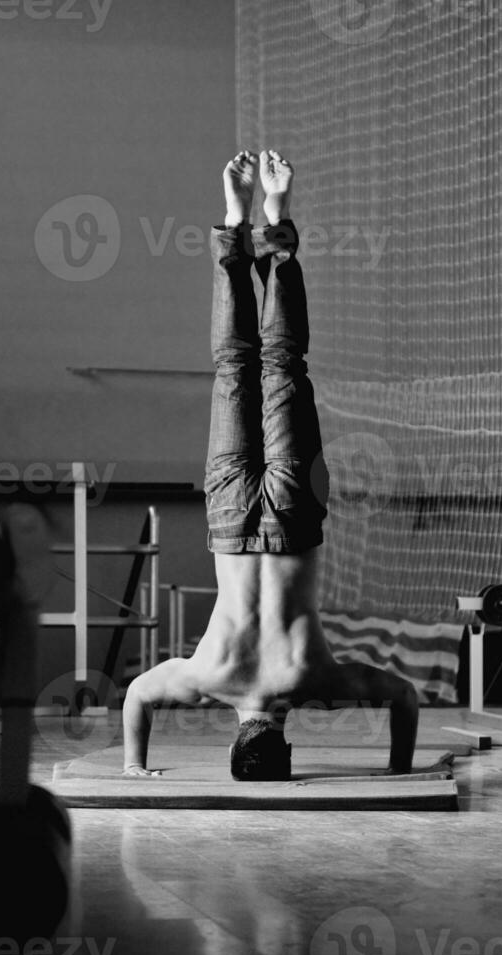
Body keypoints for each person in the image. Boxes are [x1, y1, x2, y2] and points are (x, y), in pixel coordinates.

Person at [122, 150, 418, 780]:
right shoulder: (205, 679)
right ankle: (235, 223)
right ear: (234, 742)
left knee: (282, 366)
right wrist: (131, 764)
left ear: (286, 747)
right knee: (235, 368)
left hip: (293, 515)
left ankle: (277, 228)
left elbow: (403, 698)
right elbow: (137, 697)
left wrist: (398, 770)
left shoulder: (312, 678)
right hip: (230, 520)